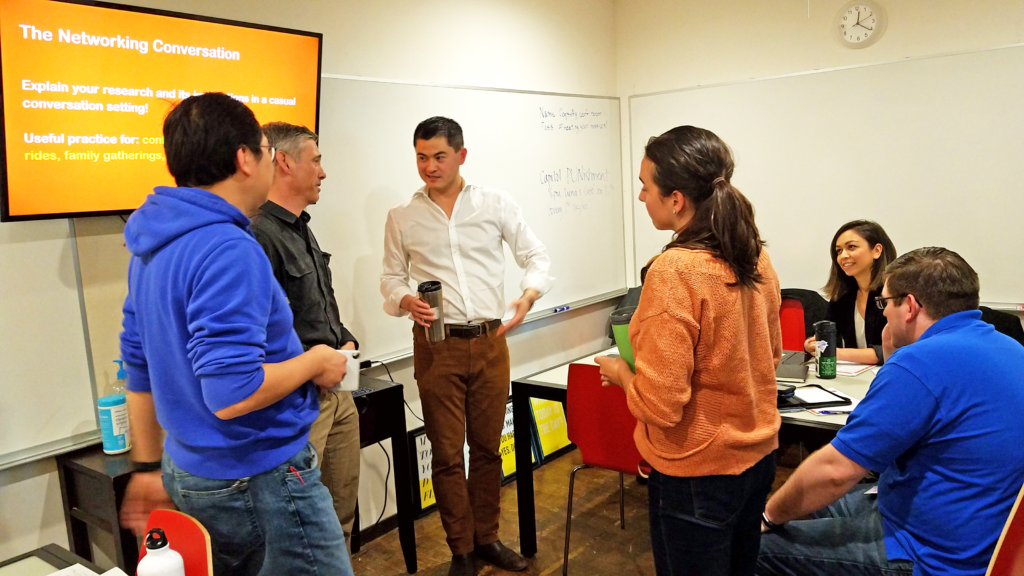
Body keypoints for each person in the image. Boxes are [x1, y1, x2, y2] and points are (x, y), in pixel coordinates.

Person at [118, 93, 354, 576]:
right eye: (266, 151)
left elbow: (138, 369)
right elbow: (231, 391)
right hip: (258, 474)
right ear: (245, 158)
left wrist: (145, 469)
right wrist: (317, 361)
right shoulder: (227, 247)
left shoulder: (150, 247)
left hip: (189, 469)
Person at [758, 247, 1024, 576]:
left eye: (884, 303)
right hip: (979, 534)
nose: (882, 313)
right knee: (812, 503)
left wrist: (769, 517)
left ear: (910, 306)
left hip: (928, 552)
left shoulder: (921, 363)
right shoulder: (1011, 347)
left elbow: (836, 471)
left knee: (750, 546)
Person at [596, 125, 782, 576]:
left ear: (676, 198)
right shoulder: (753, 253)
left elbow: (661, 406)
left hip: (697, 468)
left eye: (645, 186)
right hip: (758, 455)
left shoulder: (675, 270)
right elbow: (772, 354)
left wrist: (621, 372)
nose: (641, 197)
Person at [380, 116, 552, 576]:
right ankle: (461, 551)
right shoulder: (403, 216)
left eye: (438, 156)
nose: (429, 166)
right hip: (437, 346)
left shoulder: (494, 204)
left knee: (489, 448)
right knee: (447, 452)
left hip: (491, 341)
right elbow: (391, 277)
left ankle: (488, 539)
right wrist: (405, 300)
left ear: (461, 155)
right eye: (421, 157)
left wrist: (528, 295)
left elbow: (536, 256)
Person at [250, 122, 361, 548]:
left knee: (340, 518)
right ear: (284, 162)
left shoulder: (300, 226)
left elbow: (314, 305)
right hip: (299, 404)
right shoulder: (259, 235)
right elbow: (262, 333)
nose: (323, 171)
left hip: (339, 391)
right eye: (315, 160)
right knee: (304, 530)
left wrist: (344, 339)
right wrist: (314, 365)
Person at [803, 220, 896, 364]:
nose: (843, 256)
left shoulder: (896, 293)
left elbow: (893, 350)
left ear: (877, 250)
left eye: (851, 247)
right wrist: (813, 343)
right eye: (839, 251)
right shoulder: (843, 295)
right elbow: (827, 332)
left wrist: (837, 352)